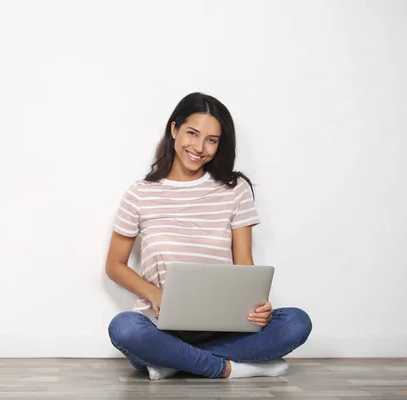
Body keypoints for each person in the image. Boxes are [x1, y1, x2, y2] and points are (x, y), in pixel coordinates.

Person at [105, 92, 312, 380]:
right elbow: (114, 265)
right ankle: (229, 367)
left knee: (296, 323)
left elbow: (244, 262)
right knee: (124, 328)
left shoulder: (234, 189)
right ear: (174, 129)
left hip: (224, 324)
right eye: (192, 133)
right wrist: (155, 294)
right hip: (159, 325)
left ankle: (173, 360)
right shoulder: (140, 193)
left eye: (212, 140)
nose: (199, 147)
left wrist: (256, 305)